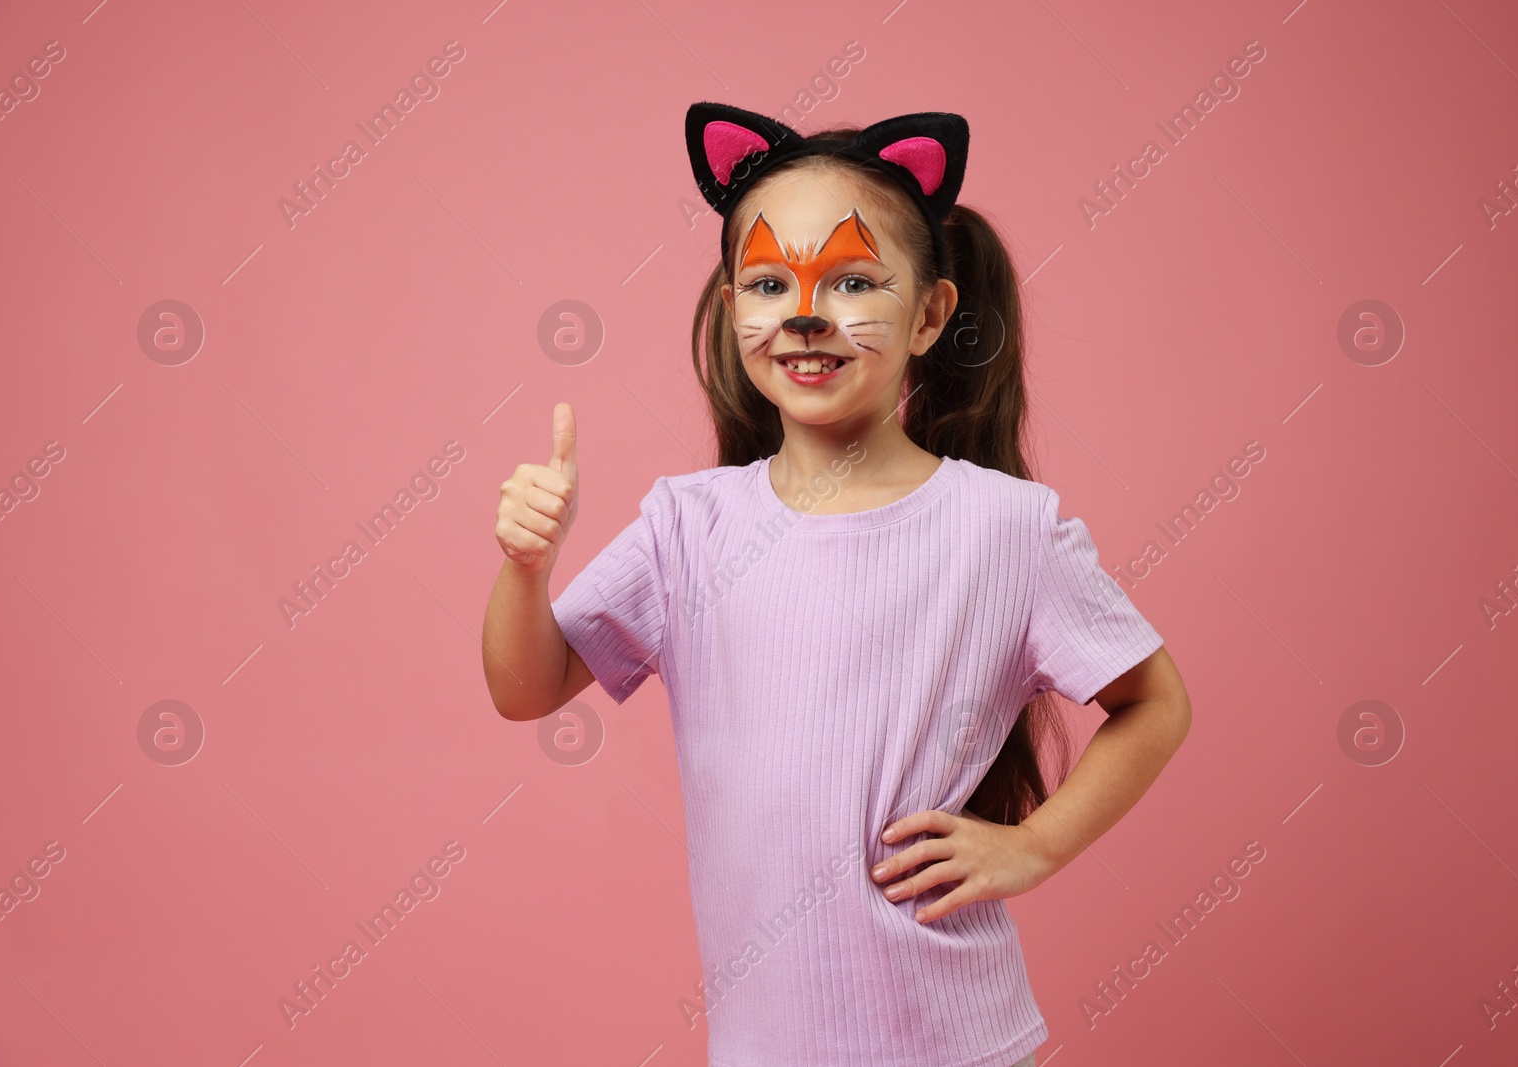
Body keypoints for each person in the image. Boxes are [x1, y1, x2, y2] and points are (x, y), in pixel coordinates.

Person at [482, 101, 1193, 1067]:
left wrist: (1035, 846)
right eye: (769, 283)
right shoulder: (689, 527)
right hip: (764, 1044)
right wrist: (528, 568)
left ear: (931, 314)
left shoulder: (1006, 530)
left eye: (854, 281)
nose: (805, 314)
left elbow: (1154, 701)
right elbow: (527, 687)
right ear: (735, 310)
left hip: (959, 1040)